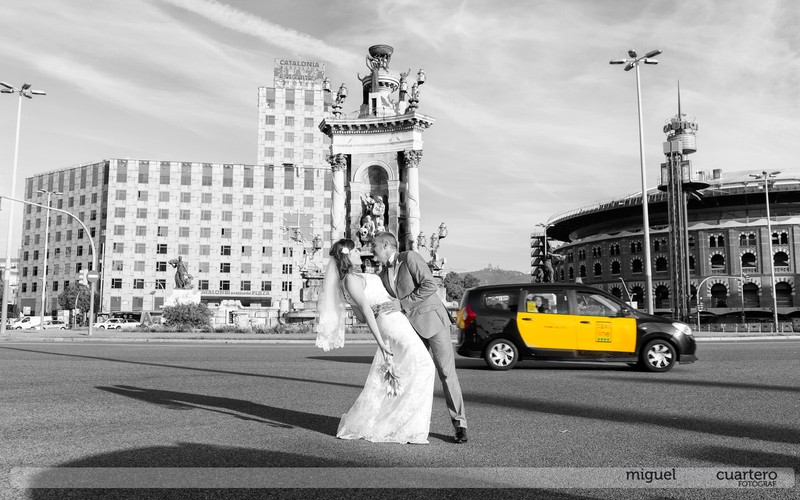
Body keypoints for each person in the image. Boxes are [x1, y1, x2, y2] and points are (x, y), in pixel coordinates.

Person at [315, 239, 435, 444]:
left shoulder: (351, 279)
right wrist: (380, 342)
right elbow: (366, 312)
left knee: (409, 367)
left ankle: (399, 423)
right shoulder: (350, 280)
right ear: (346, 256)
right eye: (355, 251)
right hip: (391, 322)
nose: (359, 253)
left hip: (391, 318)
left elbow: (362, 316)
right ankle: (408, 427)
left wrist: (373, 307)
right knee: (425, 366)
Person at [371, 231, 469, 443]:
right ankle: (410, 424)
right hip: (409, 329)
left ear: (386, 245)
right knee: (412, 372)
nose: (372, 250)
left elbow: (430, 285)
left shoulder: (410, 257)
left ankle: (460, 424)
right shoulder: (382, 274)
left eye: (374, 246)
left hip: (433, 322)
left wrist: (402, 303)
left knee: (446, 373)